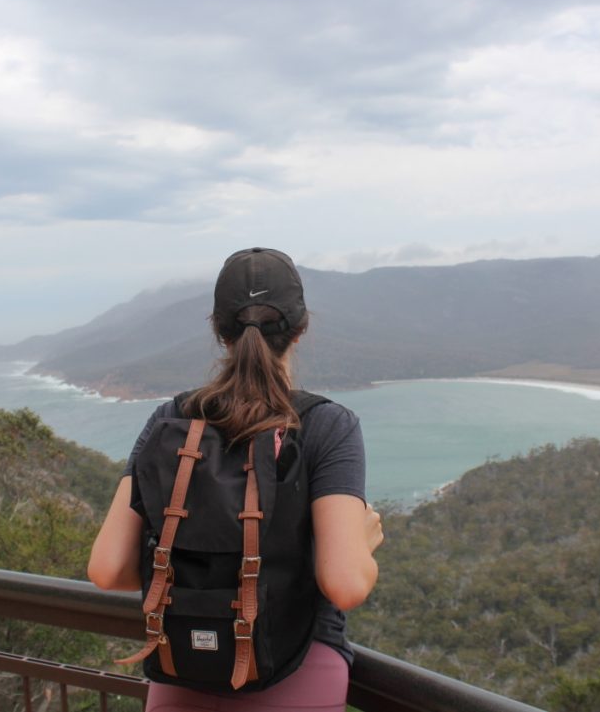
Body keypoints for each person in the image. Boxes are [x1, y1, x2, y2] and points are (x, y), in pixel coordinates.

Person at [88, 247, 383, 712]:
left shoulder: (172, 419)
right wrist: (363, 541)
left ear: (218, 330)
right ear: (301, 329)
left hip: (182, 668)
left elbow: (109, 570)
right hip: (300, 673)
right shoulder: (328, 426)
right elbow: (346, 584)